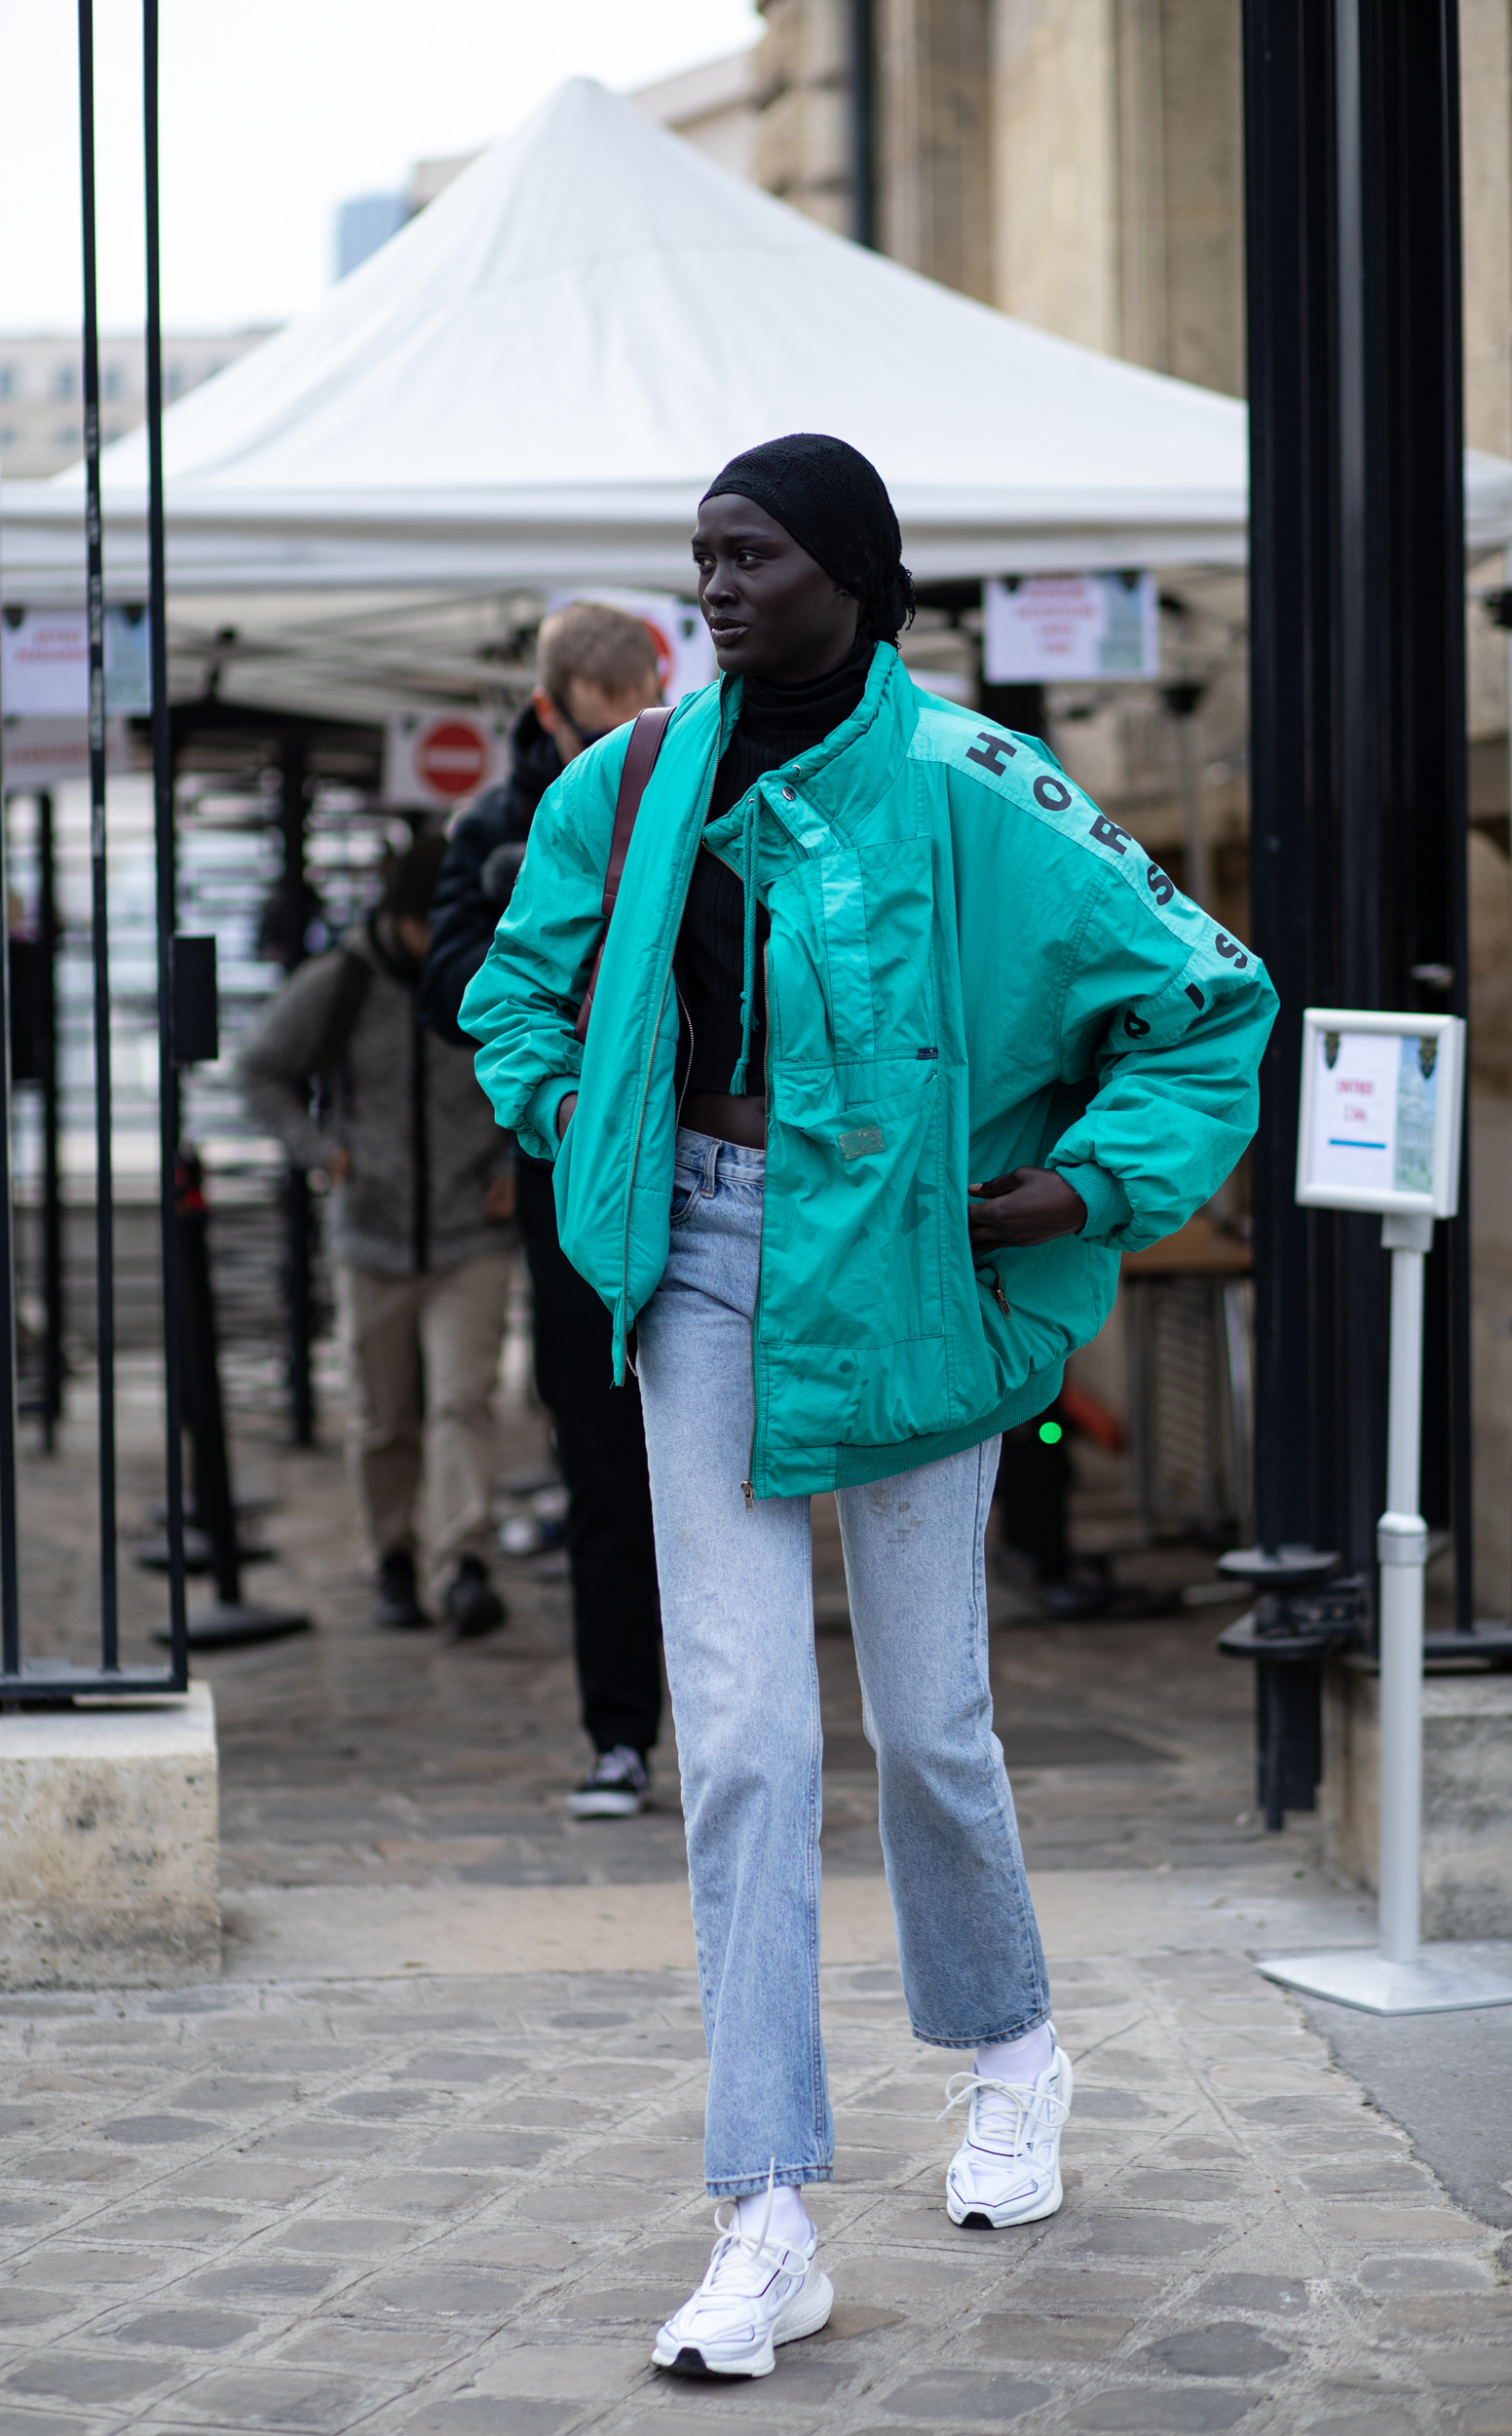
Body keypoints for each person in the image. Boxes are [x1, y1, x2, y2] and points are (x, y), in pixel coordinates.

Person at [460, 435, 1276, 2379]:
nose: (713, 590)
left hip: (910, 1273)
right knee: (737, 1737)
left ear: (849, 569)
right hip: (699, 1267)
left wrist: (1079, 1184)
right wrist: (585, 1134)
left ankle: (1009, 2049)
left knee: (927, 1717)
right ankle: (763, 2207)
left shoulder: (975, 783)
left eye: (746, 555)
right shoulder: (630, 775)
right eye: (696, 558)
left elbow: (1203, 995)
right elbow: (515, 991)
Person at [423, 601, 666, 1816]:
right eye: (604, 730)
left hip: (716, 1161)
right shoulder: (498, 823)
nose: (632, 747)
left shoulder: (713, 781)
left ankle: (744, 1724)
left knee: (750, 1457)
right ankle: (619, 1731)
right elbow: (451, 986)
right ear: (550, 712)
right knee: (606, 1464)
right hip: (573, 1174)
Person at [238, 828, 516, 1637]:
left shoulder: (488, 975)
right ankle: (392, 1555)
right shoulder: (342, 983)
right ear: (397, 917)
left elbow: (536, 1065)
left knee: (464, 1401)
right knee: (384, 1415)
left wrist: (510, 1157)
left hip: (473, 1235)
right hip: (373, 1240)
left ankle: (462, 1561)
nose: (437, 941)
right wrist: (324, 1153)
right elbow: (257, 1068)